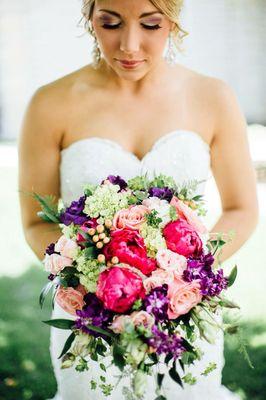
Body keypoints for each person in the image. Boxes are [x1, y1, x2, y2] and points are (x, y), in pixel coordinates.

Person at [18, 0, 258, 399]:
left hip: (184, 309)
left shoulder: (213, 97)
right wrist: (90, 276)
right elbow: (34, 220)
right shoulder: (50, 103)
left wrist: (183, 277)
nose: (129, 45)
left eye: (150, 25)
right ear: (89, 16)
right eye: (110, 23)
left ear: (174, 21)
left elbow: (242, 208)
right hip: (89, 314)